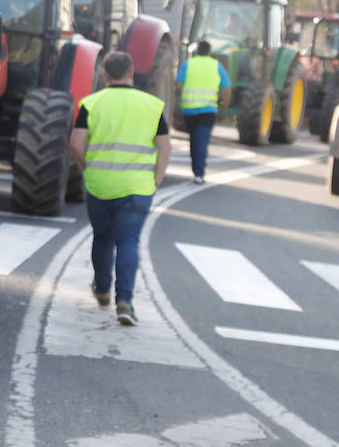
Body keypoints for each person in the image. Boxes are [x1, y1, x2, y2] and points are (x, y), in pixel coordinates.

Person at [69, 51, 171, 326]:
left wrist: (87, 169)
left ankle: (102, 289)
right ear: (131, 72)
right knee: (128, 241)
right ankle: (124, 301)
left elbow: (76, 143)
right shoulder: (152, 105)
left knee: (102, 238)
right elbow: (164, 146)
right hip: (137, 187)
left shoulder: (91, 103)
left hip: (100, 185)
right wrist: (157, 178)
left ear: (104, 75)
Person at [177, 40, 232, 184]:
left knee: (193, 142)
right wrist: (225, 103)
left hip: (189, 111)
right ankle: (199, 173)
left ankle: (197, 171)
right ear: (209, 52)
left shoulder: (188, 64)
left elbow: (178, 84)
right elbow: (227, 87)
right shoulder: (217, 65)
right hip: (208, 111)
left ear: (197, 50)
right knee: (201, 141)